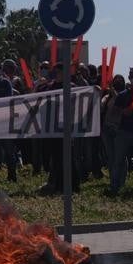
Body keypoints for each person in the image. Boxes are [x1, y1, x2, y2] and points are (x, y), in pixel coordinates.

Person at [40, 63, 80, 194]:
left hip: (67, 128)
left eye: (58, 72)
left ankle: (73, 186)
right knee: (56, 157)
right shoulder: (50, 87)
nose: (56, 74)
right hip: (53, 128)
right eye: (55, 72)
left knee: (68, 157)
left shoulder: (71, 87)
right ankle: (58, 185)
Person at [100, 74, 125, 193]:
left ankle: (121, 182)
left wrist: (112, 90)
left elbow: (119, 100)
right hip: (106, 128)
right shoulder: (107, 96)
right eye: (116, 80)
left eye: (119, 80)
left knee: (120, 157)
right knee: (111, 157)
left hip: (118, 129)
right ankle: (113, 181)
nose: (117, 82)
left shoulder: (124, 95)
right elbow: (100, 106)